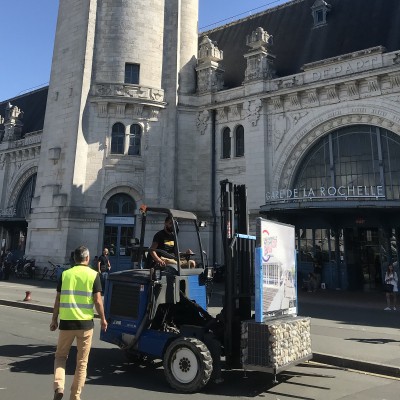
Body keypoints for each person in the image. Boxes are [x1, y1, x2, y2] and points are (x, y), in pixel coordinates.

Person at [50, 245, 107, 400]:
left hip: (67, 323)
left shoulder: (65, 274)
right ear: (87, 259)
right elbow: (98, 301)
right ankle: (75, 396)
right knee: (82, 363)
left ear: (74, 259)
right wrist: (103, 319)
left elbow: (58, 299)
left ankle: (59, 386)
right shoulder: (94, 275)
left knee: (61, 356)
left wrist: (54, 319)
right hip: (85, 325)